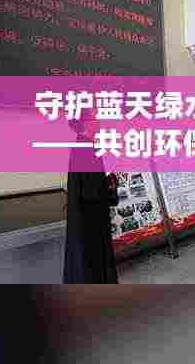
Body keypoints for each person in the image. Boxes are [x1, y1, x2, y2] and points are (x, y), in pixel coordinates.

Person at [63, 109, 119, 284]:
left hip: (86, 219)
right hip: (92, 222)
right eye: (96, 119)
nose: (99, 123)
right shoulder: (87, 150)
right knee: (94, 265)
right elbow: (93, 192)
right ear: (86, 124)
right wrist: (111, 185)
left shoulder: (83, 147)